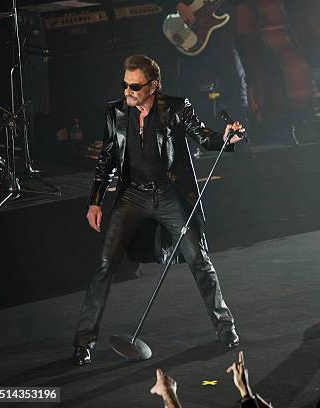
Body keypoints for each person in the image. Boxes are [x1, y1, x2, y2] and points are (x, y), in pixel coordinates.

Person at [72, 54, 244, 366]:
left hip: (169, 194)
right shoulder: (115, 112)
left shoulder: (177, 108)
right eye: (125, 85)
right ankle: (84, 342)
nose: (128, 92)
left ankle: (225, 327)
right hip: (132, 197)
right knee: (104, 267)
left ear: (153, 86)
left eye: (135, 86)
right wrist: (95, 201)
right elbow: (107, 160)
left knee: (200, 261)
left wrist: (226, 138)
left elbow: (204, 137)